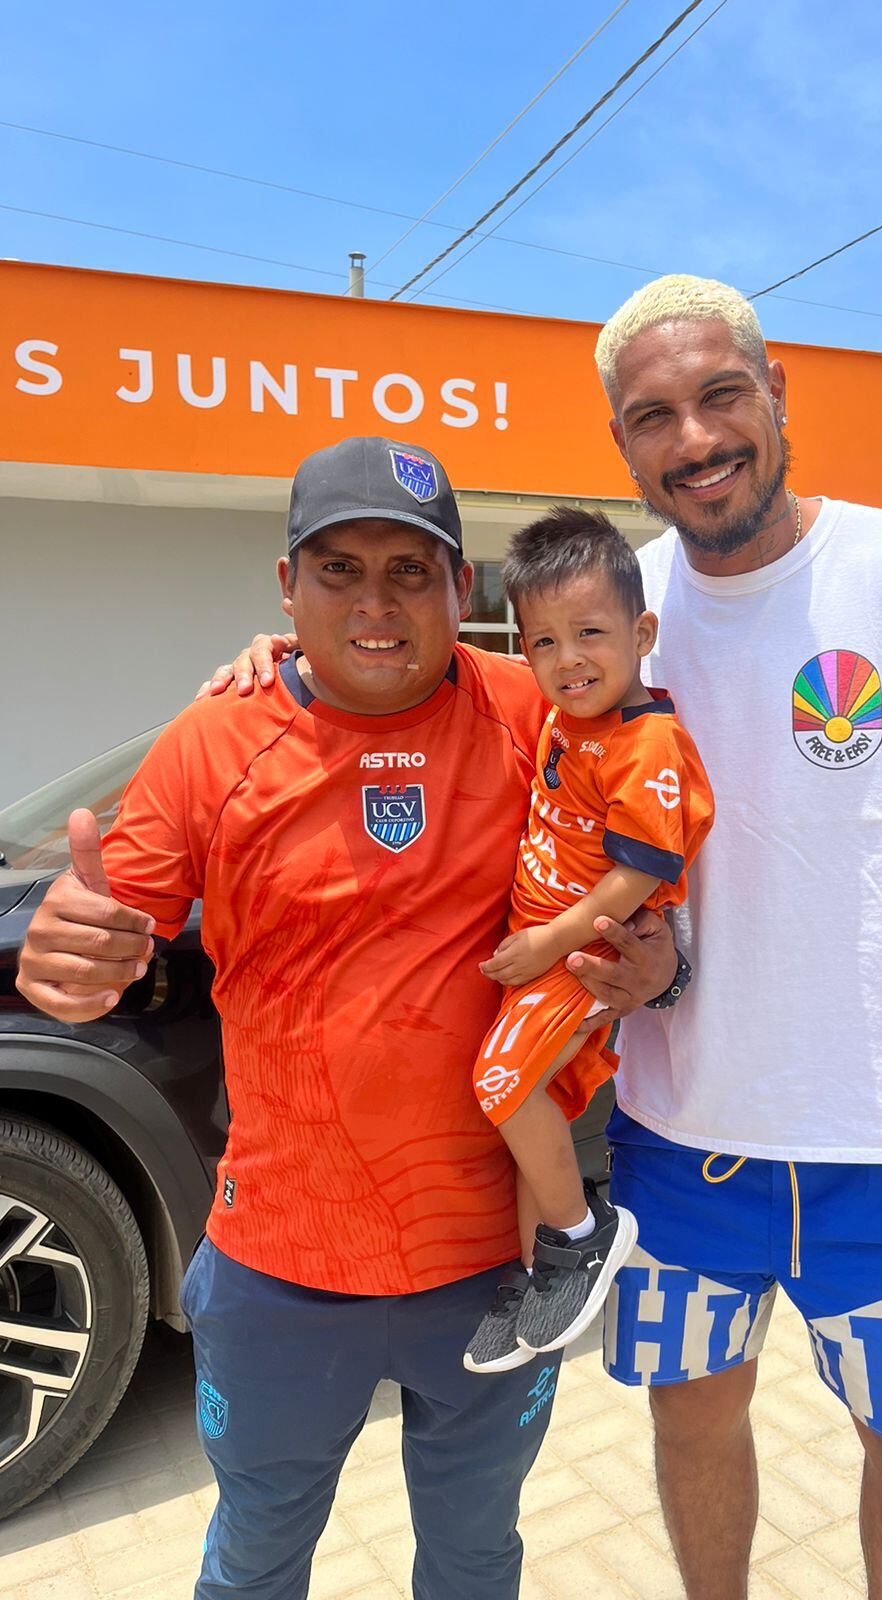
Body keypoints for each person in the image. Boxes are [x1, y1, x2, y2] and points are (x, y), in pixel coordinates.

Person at [209, 275, 882, 1600]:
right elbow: (404, 669)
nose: (695, 438)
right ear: (621, 443)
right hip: (685, 1148)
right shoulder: (603, 609)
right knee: (690, 1422)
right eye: (653, 416)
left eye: (721, 396)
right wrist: (281, 657)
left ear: (776, 392)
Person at [15, 435, 676, 1600]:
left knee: (475, 1562)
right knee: (258, 1558)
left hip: (496, 1275)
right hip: (281, 1271)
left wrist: (657, 959)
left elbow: (658, 838)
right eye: (339, 570)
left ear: (460, 590)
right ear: (286, 588)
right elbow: (107, 924)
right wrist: (74, 964)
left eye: (410, 571)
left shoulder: (541, 715)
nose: (377, 603)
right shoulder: (216, 737)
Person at [464, 508, 714, 1374]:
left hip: (580, 952)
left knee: (499, 1085)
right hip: (543, 951)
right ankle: (538, 1273)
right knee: (530, 1103)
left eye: (591, 634)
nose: (567, 659)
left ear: (642, 632)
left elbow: (639, 875)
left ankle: (581, 1234)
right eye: (543, 643)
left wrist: (545, 946)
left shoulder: (647, 744)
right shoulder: (569, 717)